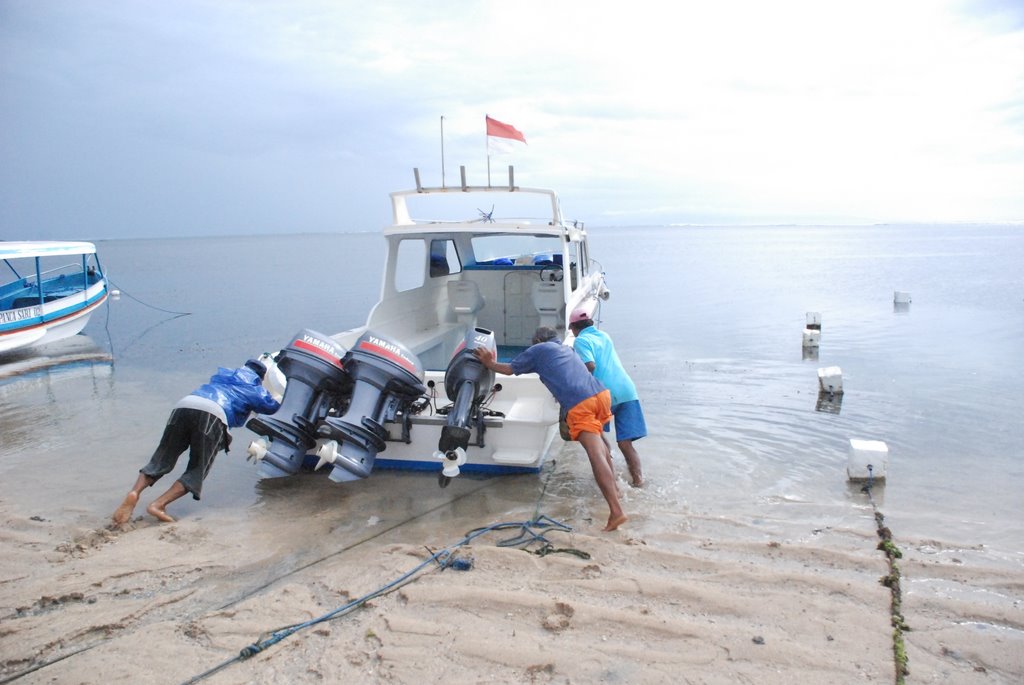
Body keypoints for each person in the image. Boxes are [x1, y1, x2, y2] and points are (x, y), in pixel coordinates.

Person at [474, 327, 627, 532]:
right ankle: (615, 491)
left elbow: (510, 369)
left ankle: (616, 511)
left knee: (595, 454)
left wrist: (489, 362)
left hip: (581, 403)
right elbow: (566, 374)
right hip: (600, 396)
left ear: (537, 340)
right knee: (601, 445)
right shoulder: (566, 350)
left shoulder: (539, 349)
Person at [111, 359, 281, 526]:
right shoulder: (255, 388)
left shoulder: (222, 375)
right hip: (214, 414)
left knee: (162, 457)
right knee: (197, 469)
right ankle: (158, 505)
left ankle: (134, 492)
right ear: (261, 377)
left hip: (184, 405)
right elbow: (274, 409)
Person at [569, 305, 647, 487]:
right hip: (627, 390)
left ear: (573, 328)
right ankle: (638, 481)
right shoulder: (605, 335)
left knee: (598, 438)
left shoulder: (580, 341)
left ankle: (609, 477)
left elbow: (590, 365)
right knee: (626, 443)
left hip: (603, 394)